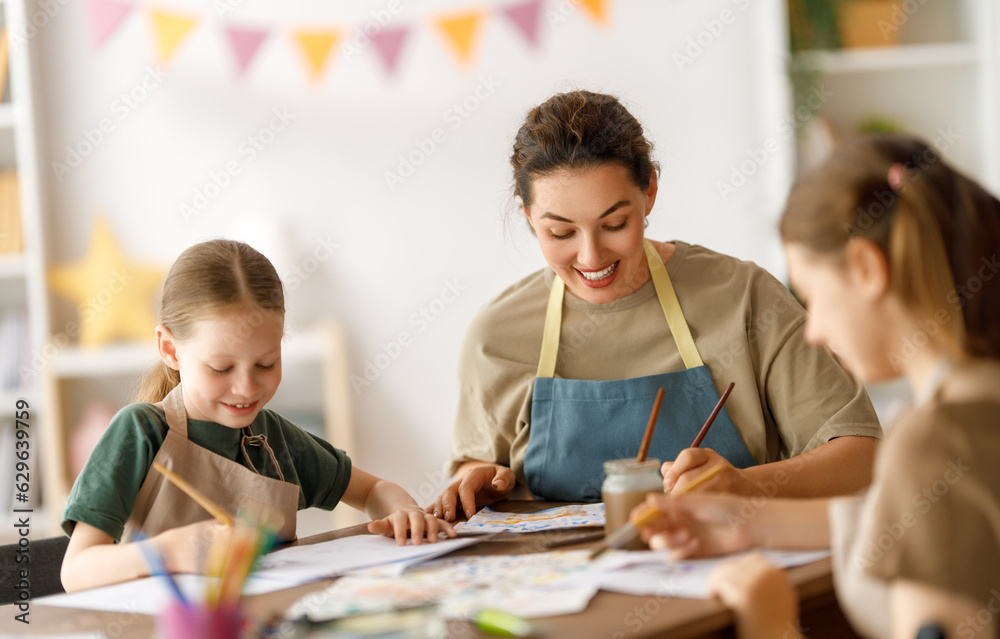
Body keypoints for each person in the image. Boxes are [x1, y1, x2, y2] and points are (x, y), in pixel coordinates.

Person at [429, 90, 882, 522]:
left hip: (724, 578)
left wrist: (747, 486)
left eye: (615, 223)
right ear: (529, 217)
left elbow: (861, 457)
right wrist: (475, 482)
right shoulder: (497, 335)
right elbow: (473, 468)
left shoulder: (746, 298)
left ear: (650, 192)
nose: (591, 257)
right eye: (561, 233)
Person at [634, 134, 1000, 637]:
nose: (815, 331)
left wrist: (773, 623)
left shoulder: (936, 439)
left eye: (814, 297)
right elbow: (897, 517)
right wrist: (745, 521)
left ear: (868, 270)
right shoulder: (977, 402)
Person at [60, 240, 455, 592]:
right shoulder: (141, 433)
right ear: (170, 349)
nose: (247, 388)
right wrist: (168, 552)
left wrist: (403, 511)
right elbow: (76, 570)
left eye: (266, 364)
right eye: (220, 368)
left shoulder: (274, 439)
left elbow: (370, 490)